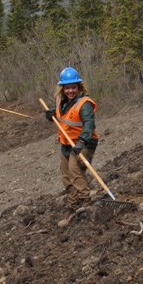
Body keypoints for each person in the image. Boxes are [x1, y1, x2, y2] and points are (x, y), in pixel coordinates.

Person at [44, 67, 98, 211]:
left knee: (75, 171)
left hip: (84, 142)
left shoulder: (84, 103)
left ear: (78, 87)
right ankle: (74, 205)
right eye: (67, 88)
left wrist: (81, 142)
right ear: (62, 88)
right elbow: (63, 117)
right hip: (66, 143)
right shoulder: (60, 100)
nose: (70, 91)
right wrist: (51, 115)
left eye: (73, 87)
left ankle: (85, 203)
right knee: (66, 176)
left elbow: (89, 124)